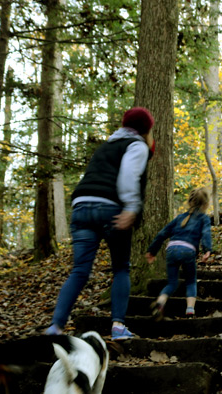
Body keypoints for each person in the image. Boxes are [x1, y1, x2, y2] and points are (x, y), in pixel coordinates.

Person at [46, 107, 155, 340]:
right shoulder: (137, 145)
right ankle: (117, 327)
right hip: (110, 209)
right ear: (146, 129)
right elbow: (128, 175)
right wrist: (131, 207)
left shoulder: (105, 146)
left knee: (79, 271)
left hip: (81, 207)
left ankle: (55, 327)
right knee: (121, 269)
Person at [145, 188, 212, 320]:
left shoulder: (180, 218)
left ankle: (160, 302)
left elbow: (162, 234)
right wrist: (207, 250)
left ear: (190, 202)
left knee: (172, 283)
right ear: (205, 204)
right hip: (188, 250)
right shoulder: (204, 218)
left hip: (171, 249)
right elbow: (206, 233)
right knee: (191, 281)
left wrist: (152, 251)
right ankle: (190, 309)